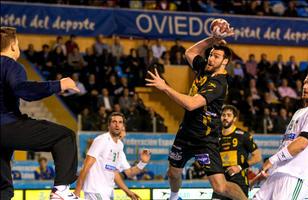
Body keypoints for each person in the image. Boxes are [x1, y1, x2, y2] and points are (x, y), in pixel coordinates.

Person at [146, 30, 248, 199]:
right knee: (173, 173)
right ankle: (174, 197)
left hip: (205, 138)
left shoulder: (219, 83)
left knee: (220, 187)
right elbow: (190, 52)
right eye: (211, 55)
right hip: (185, 133)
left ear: (225, 61)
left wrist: (165, 88)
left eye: (216, 56)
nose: (211, 58)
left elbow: (191, 104)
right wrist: (212, 39)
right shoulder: (205, 68)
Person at [0, 27, 80, 200]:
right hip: (7, 126)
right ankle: (61, 190)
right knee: (65, 137)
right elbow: (23, 90)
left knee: (3, 190)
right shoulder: (10, 65)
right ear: (13, 46)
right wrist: (58, 85)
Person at [253, 71, 308, 200]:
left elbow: (301, 143)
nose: (304, 87)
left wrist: (272, 160)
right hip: (276, 175)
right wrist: (270, 170)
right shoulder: (299, 112)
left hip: (294, 176)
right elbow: (287, 145)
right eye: (305, 83)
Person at [74, 112, 151, 200]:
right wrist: (77, 191)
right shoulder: (101, 140)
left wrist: (143, 163)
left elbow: (122, 173)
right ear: (109, 125)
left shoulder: (119, 146)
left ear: (123, 127)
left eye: (120, 122)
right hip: (95, 190)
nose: (117, 125)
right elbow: (86, 166)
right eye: (114, 122)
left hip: (107, 192)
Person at [212, 105, 262, 200]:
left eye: (229, 115)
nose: (225, 117)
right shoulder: (215, 136)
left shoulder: (243, 135)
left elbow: (257, 157)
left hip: (239, 182)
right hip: (221, 181)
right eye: (223, 115)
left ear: (234, 119)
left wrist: (239, 167)